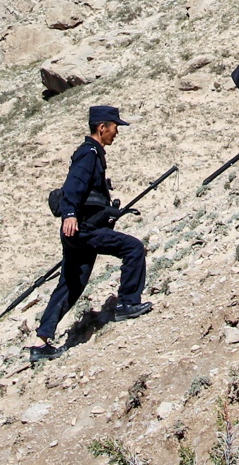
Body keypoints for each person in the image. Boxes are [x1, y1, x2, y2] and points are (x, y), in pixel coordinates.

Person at [29, 105, 149, 362]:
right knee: (133, 248)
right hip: (83, 230)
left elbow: (90, 195)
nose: (117, 132)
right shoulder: (89, 153)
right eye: (115, 127)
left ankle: (41, 341)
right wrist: (70, 213)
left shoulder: (92, 153)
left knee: (71, 285)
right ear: (102, 127)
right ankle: (127, 303)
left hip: (80, 231)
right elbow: (74, 185)